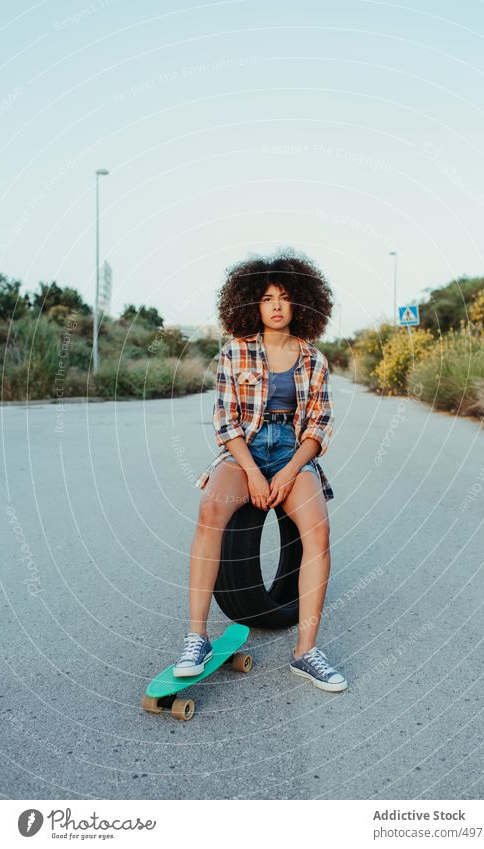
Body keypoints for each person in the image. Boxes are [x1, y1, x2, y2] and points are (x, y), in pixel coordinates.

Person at [174, 250, 347, 692]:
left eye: (285, 297)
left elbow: (318, 425)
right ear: (251, 302)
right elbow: (226, 421)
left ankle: (305, 652)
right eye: (266, 297)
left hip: (292, 451)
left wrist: (288, 473)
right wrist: (252, 472)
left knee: (318, 532)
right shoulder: (235, 351)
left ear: (302, 304)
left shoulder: (314, 360)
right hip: (244, 451)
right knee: (210, 510)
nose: (275, 305)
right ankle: (197, 638)